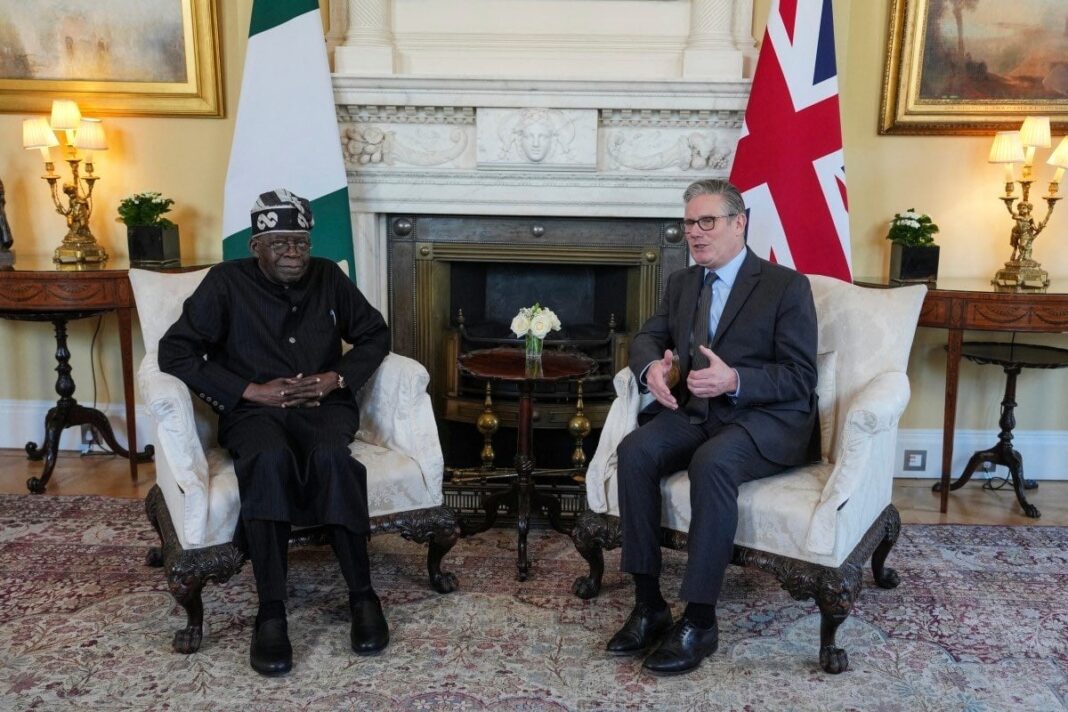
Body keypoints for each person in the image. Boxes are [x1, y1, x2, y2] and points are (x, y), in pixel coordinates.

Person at [159, 189, 391, 677]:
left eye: (301, 243)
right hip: (253, 414)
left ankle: (363, 597)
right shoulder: (225, 282)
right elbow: (174, 351)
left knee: (332, 458)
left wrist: (336, 378)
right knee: (267, 460)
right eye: (280, 243)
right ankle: (271, 612)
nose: (293, 253)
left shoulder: (328, 277)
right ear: (256, 246)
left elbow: (375, 333)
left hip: (322, 407)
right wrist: (248, 391)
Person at [607, 178, 819, 676]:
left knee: (712, 463)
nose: (695, 233)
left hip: (762, 419)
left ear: (739, 222)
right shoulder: (683, 283)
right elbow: (648, 336)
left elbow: (800, 377)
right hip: (697, 412)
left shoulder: (786, 286)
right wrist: (651, 369)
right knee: (636, 450)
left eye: (707, 221)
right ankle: (648, 604)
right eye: (688, 223)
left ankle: (700, 620)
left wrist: (735, 379)